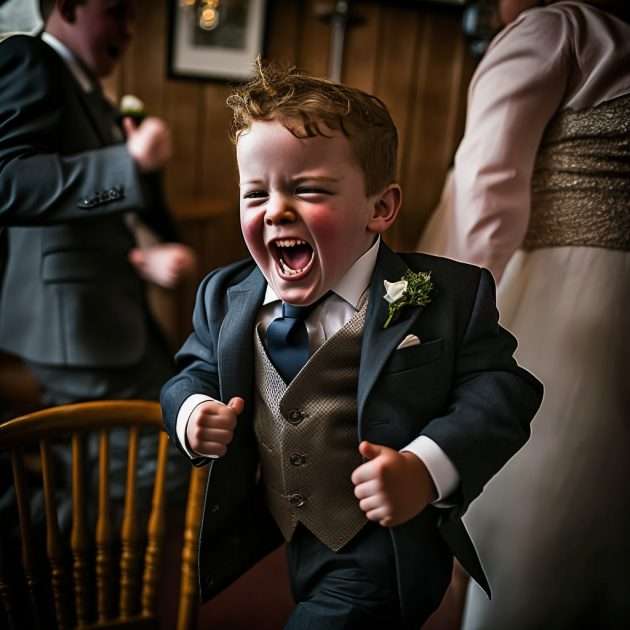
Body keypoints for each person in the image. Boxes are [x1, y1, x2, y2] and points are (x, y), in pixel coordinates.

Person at [160, 61, 543, 629]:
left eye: (308, 189)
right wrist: (191, 412)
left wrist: (425, 466)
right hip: (284, 537)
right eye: (255, 193)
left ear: (379, 209)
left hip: (384, 551)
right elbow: (188, 373)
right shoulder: (225, 295)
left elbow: (506, 392)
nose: (276, 211)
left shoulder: (445, 296)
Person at [418, 1, 630, 627]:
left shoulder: (554, 31)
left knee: (528, 553)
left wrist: (424, 332)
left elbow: (483, 205)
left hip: (566, 318)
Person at [0, 0, 195, 500]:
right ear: (66, 6)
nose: (129, 29)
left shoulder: (94, 95)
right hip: (73, 328)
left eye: (134, 16)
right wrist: (126, 162)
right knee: (157, 464)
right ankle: (67, 567)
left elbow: (112, 213)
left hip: (110, 316)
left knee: (133, 458)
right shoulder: (30, 58)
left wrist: (153, 252)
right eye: (116, 12)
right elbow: (9, 182)